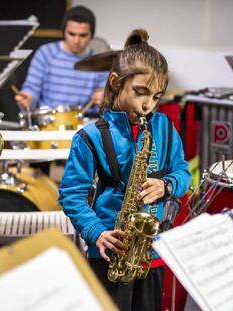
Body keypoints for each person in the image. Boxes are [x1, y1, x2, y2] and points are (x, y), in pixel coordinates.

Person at [59, 29, 191, 311]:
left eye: (156, 97)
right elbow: (71, 194)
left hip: (153, 253)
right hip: (108, 250)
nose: (148, 105)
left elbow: (183, 173)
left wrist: (167, 185)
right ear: (116, 82)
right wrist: (97, 233)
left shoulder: (164, 127)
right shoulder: (89, 136)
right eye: (141, 93)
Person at [15, 5, 107, 112]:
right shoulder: (46, 53)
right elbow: (32, 88)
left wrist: (103, 100)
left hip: (84, 122)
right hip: (48, 121)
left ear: (91, 35)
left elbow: (101, 105)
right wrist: (28, 98)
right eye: (72, 34)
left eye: (83, 35)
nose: (76, 40)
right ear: (64, 32)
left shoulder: (99, 61)